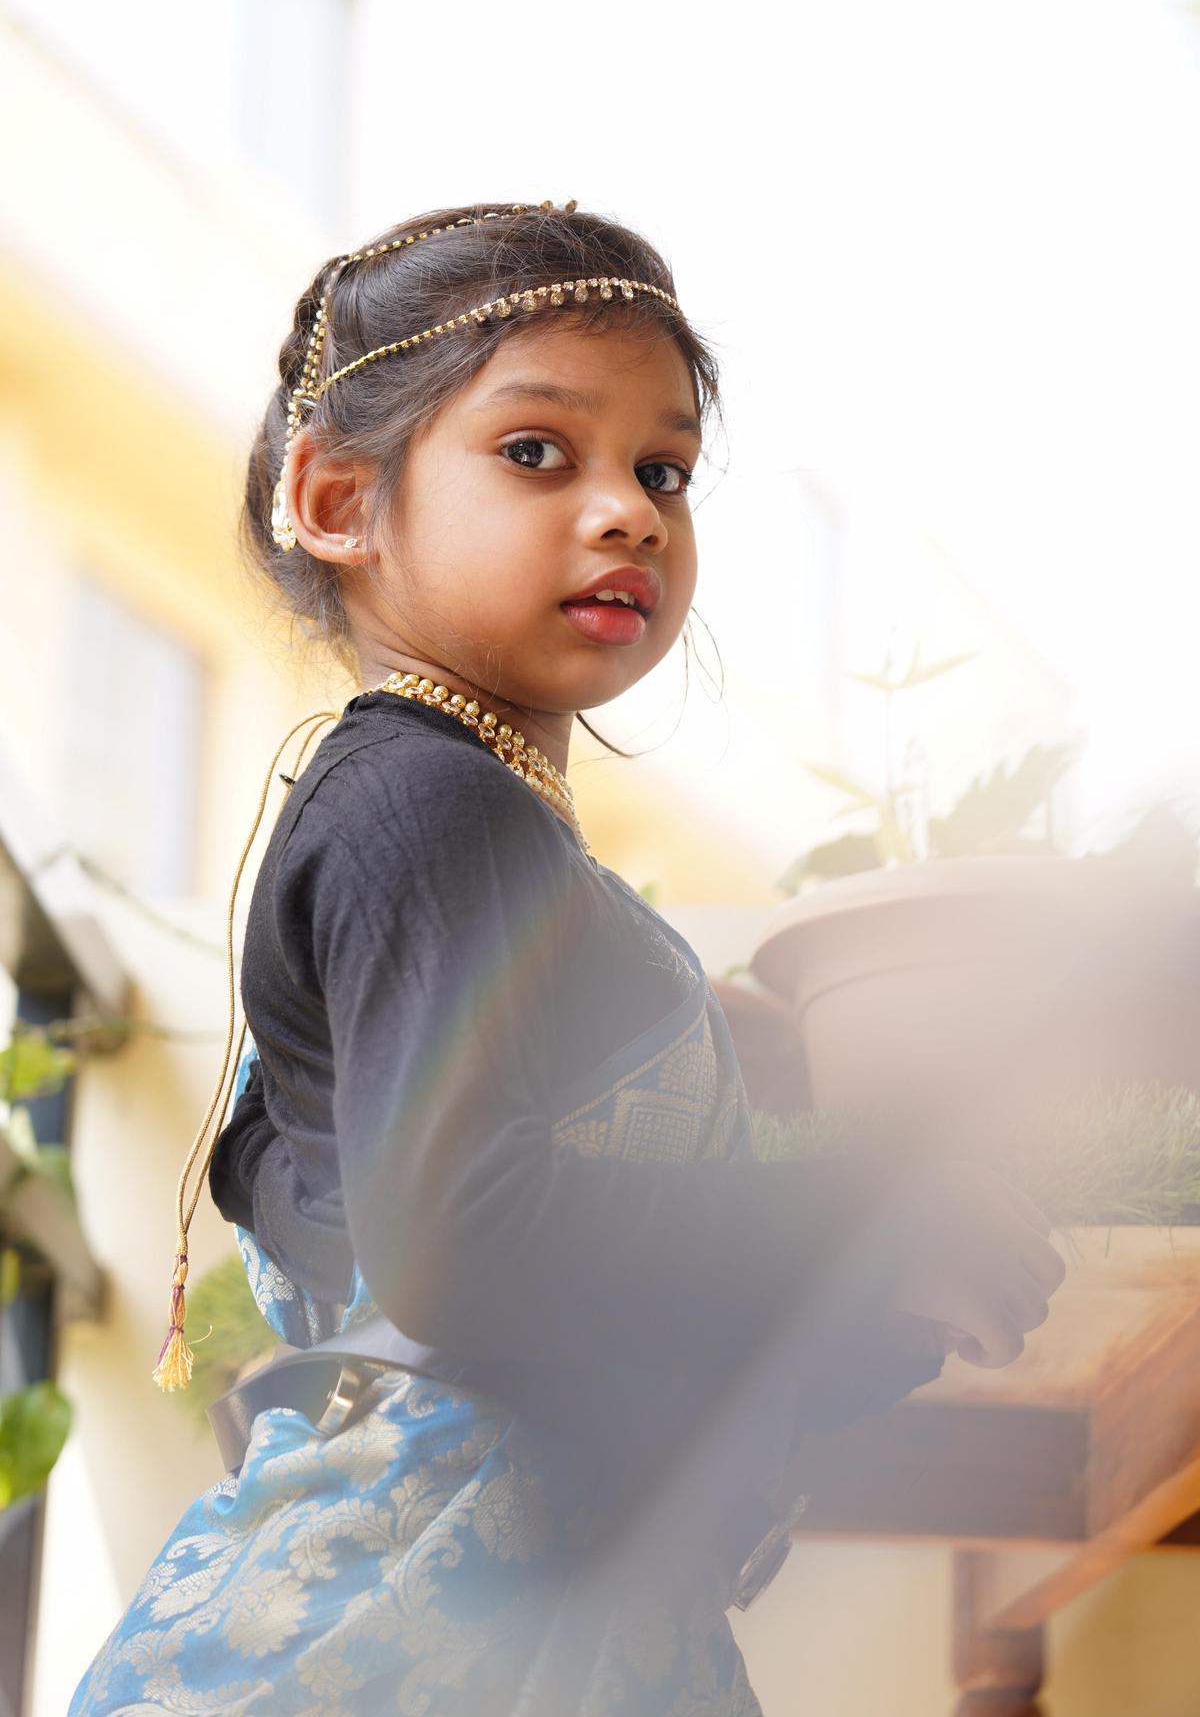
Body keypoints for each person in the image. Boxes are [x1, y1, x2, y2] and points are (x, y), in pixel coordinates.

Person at [70, 199, 1066, 1716]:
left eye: (661, 469)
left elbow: (292, 1165)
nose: (628, 512)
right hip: (404, 1639)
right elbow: (464, 1248)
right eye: (539, 452)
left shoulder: (477, 830)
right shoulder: (428, 801)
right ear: (338, 500)